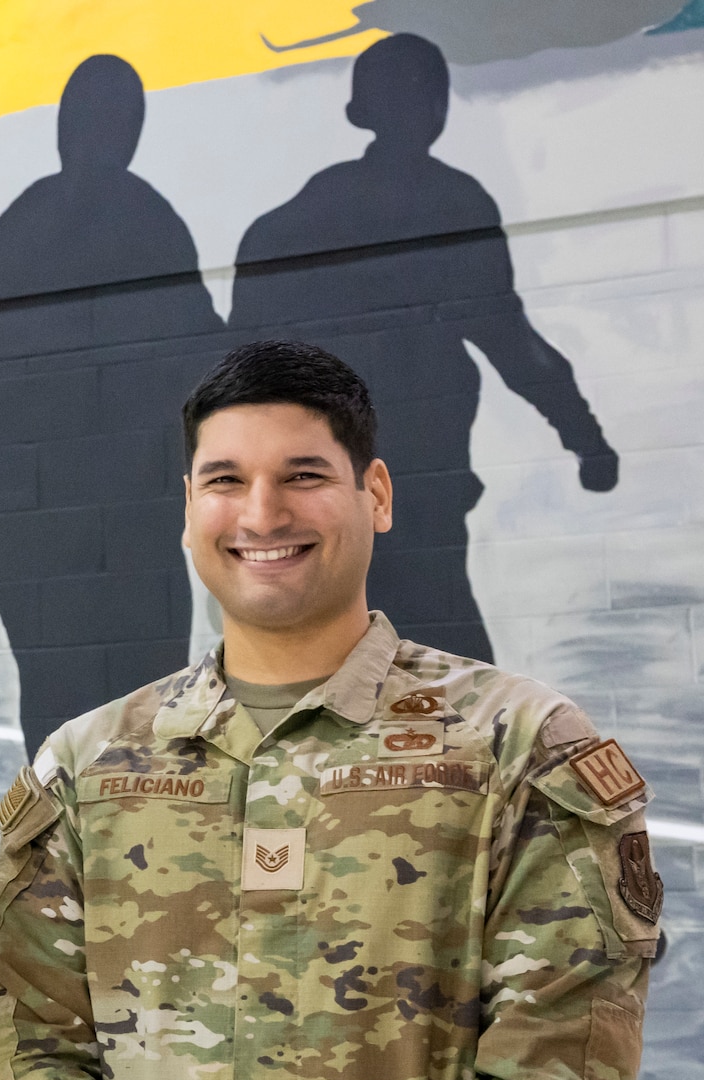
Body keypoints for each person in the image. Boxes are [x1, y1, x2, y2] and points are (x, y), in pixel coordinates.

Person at [0, 340, 658, 1080]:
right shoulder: (87, 765)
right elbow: (29, 1044)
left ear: (376, 494)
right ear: (189, 509)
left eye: (303, 475)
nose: (263, 514)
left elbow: (558, 1077)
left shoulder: (520, 745)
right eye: (225, 481)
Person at [230, 34, 617, 662]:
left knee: (387, 645)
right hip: (406, 479)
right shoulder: (450, 202)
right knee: (440, 650)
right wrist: (584, 435)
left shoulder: (302, 215)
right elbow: (512, 341)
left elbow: (241, 342)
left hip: (336, 483)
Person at [0, 54, 224, 748]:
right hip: (114, 535)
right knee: (140, 725)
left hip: (56, 544)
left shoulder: (41, 227)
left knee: (64, 722)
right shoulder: (142, 222)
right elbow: (206, 364)